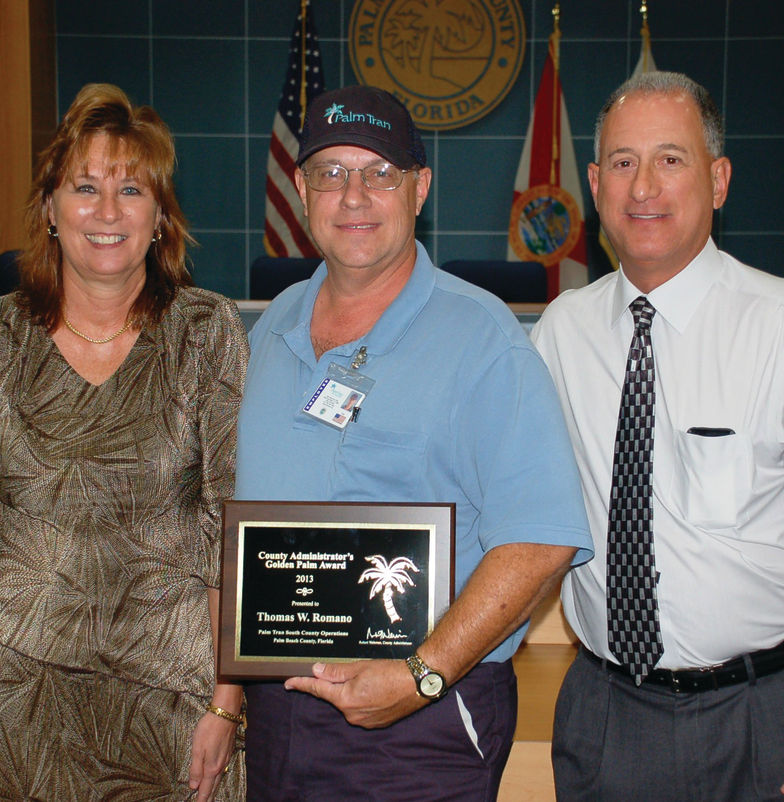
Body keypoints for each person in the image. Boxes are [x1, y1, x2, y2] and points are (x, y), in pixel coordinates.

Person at [531, 71, 784, 802]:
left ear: (719, 179)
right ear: (596, 184)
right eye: (624, 164)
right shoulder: (560, 335)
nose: (644, 188)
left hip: (763, 716)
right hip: (605, 713)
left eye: (671, 159)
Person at [233, 84, 593, 802]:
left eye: (379, 173)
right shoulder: (272, 330)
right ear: (301, 193)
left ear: (419, 188)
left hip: (417, 721)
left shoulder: (483, 338)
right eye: (331, 173)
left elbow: (540, 540)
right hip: (280, 714)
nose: (353, 195)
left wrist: (420, 674)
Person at [0, 84, 249, 801]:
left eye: (131, 189)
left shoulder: (206, 332)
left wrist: (227, 700)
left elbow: (234, 527)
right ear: (50, 209)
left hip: (176, 695)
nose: (106, 211)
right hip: (13, 699)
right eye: (85, 187)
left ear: (161, 216)